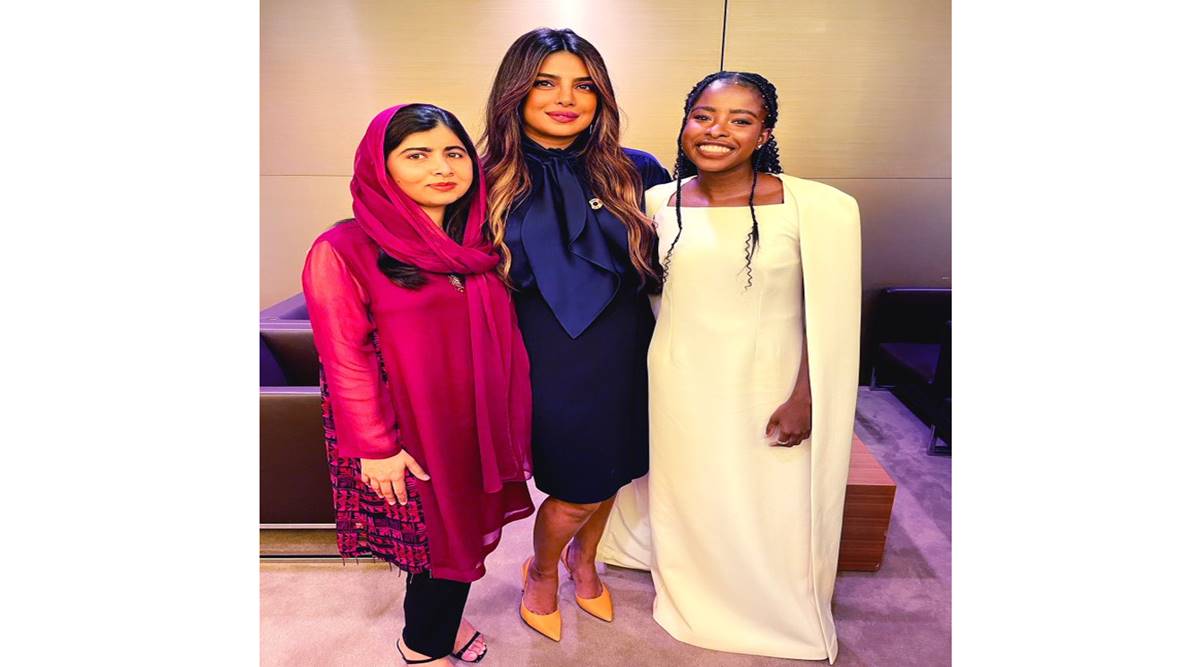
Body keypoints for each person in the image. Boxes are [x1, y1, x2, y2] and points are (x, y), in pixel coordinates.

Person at [597, 72, 862, 662]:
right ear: (685, 122)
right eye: (704, 116)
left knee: (769, 499)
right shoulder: (656, 203)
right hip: (678, 378)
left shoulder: (819, 207)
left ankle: (767, 604)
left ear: (764, 133)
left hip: (768, 380)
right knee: (689, 490)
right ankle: (692, 585)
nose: (717, 130)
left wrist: (807, 394)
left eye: (741, 120)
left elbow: (832, 315)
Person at [302, 103, 535, 665]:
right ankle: (423, 645)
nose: (442, 167)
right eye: (417, 155)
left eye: (454, 153)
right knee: (436, 539)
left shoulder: (478, 243)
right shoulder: (343, 249)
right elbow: (345, 357)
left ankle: (441, 624)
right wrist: (376, 447)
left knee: (458, 533)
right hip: (407, 429)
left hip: (472, 423)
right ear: (381, 167)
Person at [478, 28, 671, 642]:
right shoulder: (484, 179)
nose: (566, 98)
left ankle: (583, 561)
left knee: (614, 469)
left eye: (583, 85)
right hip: (543, 354)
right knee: (576, 483)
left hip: (628, 347)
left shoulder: (638, 170)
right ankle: (541, 569)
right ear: (516, 91)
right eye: (546, 83)